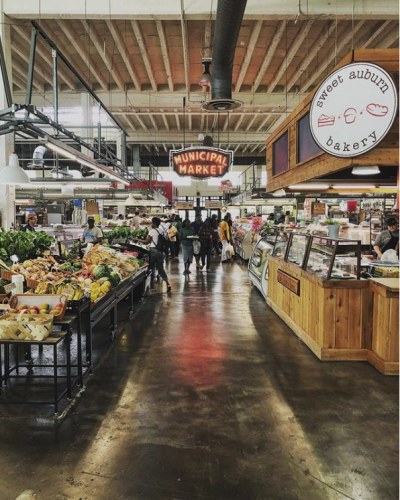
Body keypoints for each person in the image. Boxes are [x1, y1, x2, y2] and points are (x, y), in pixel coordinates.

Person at [134, 217, 171, 292]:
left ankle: (152, 284)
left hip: (153, 251)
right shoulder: (162, 231)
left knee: (151, 268)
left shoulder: (152, 231)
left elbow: (146, 242)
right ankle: (168, 283)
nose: (151, 224)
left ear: (154, 223)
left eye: (152, 223)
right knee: (160, 269)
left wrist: (137, 239)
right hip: (160, 252)